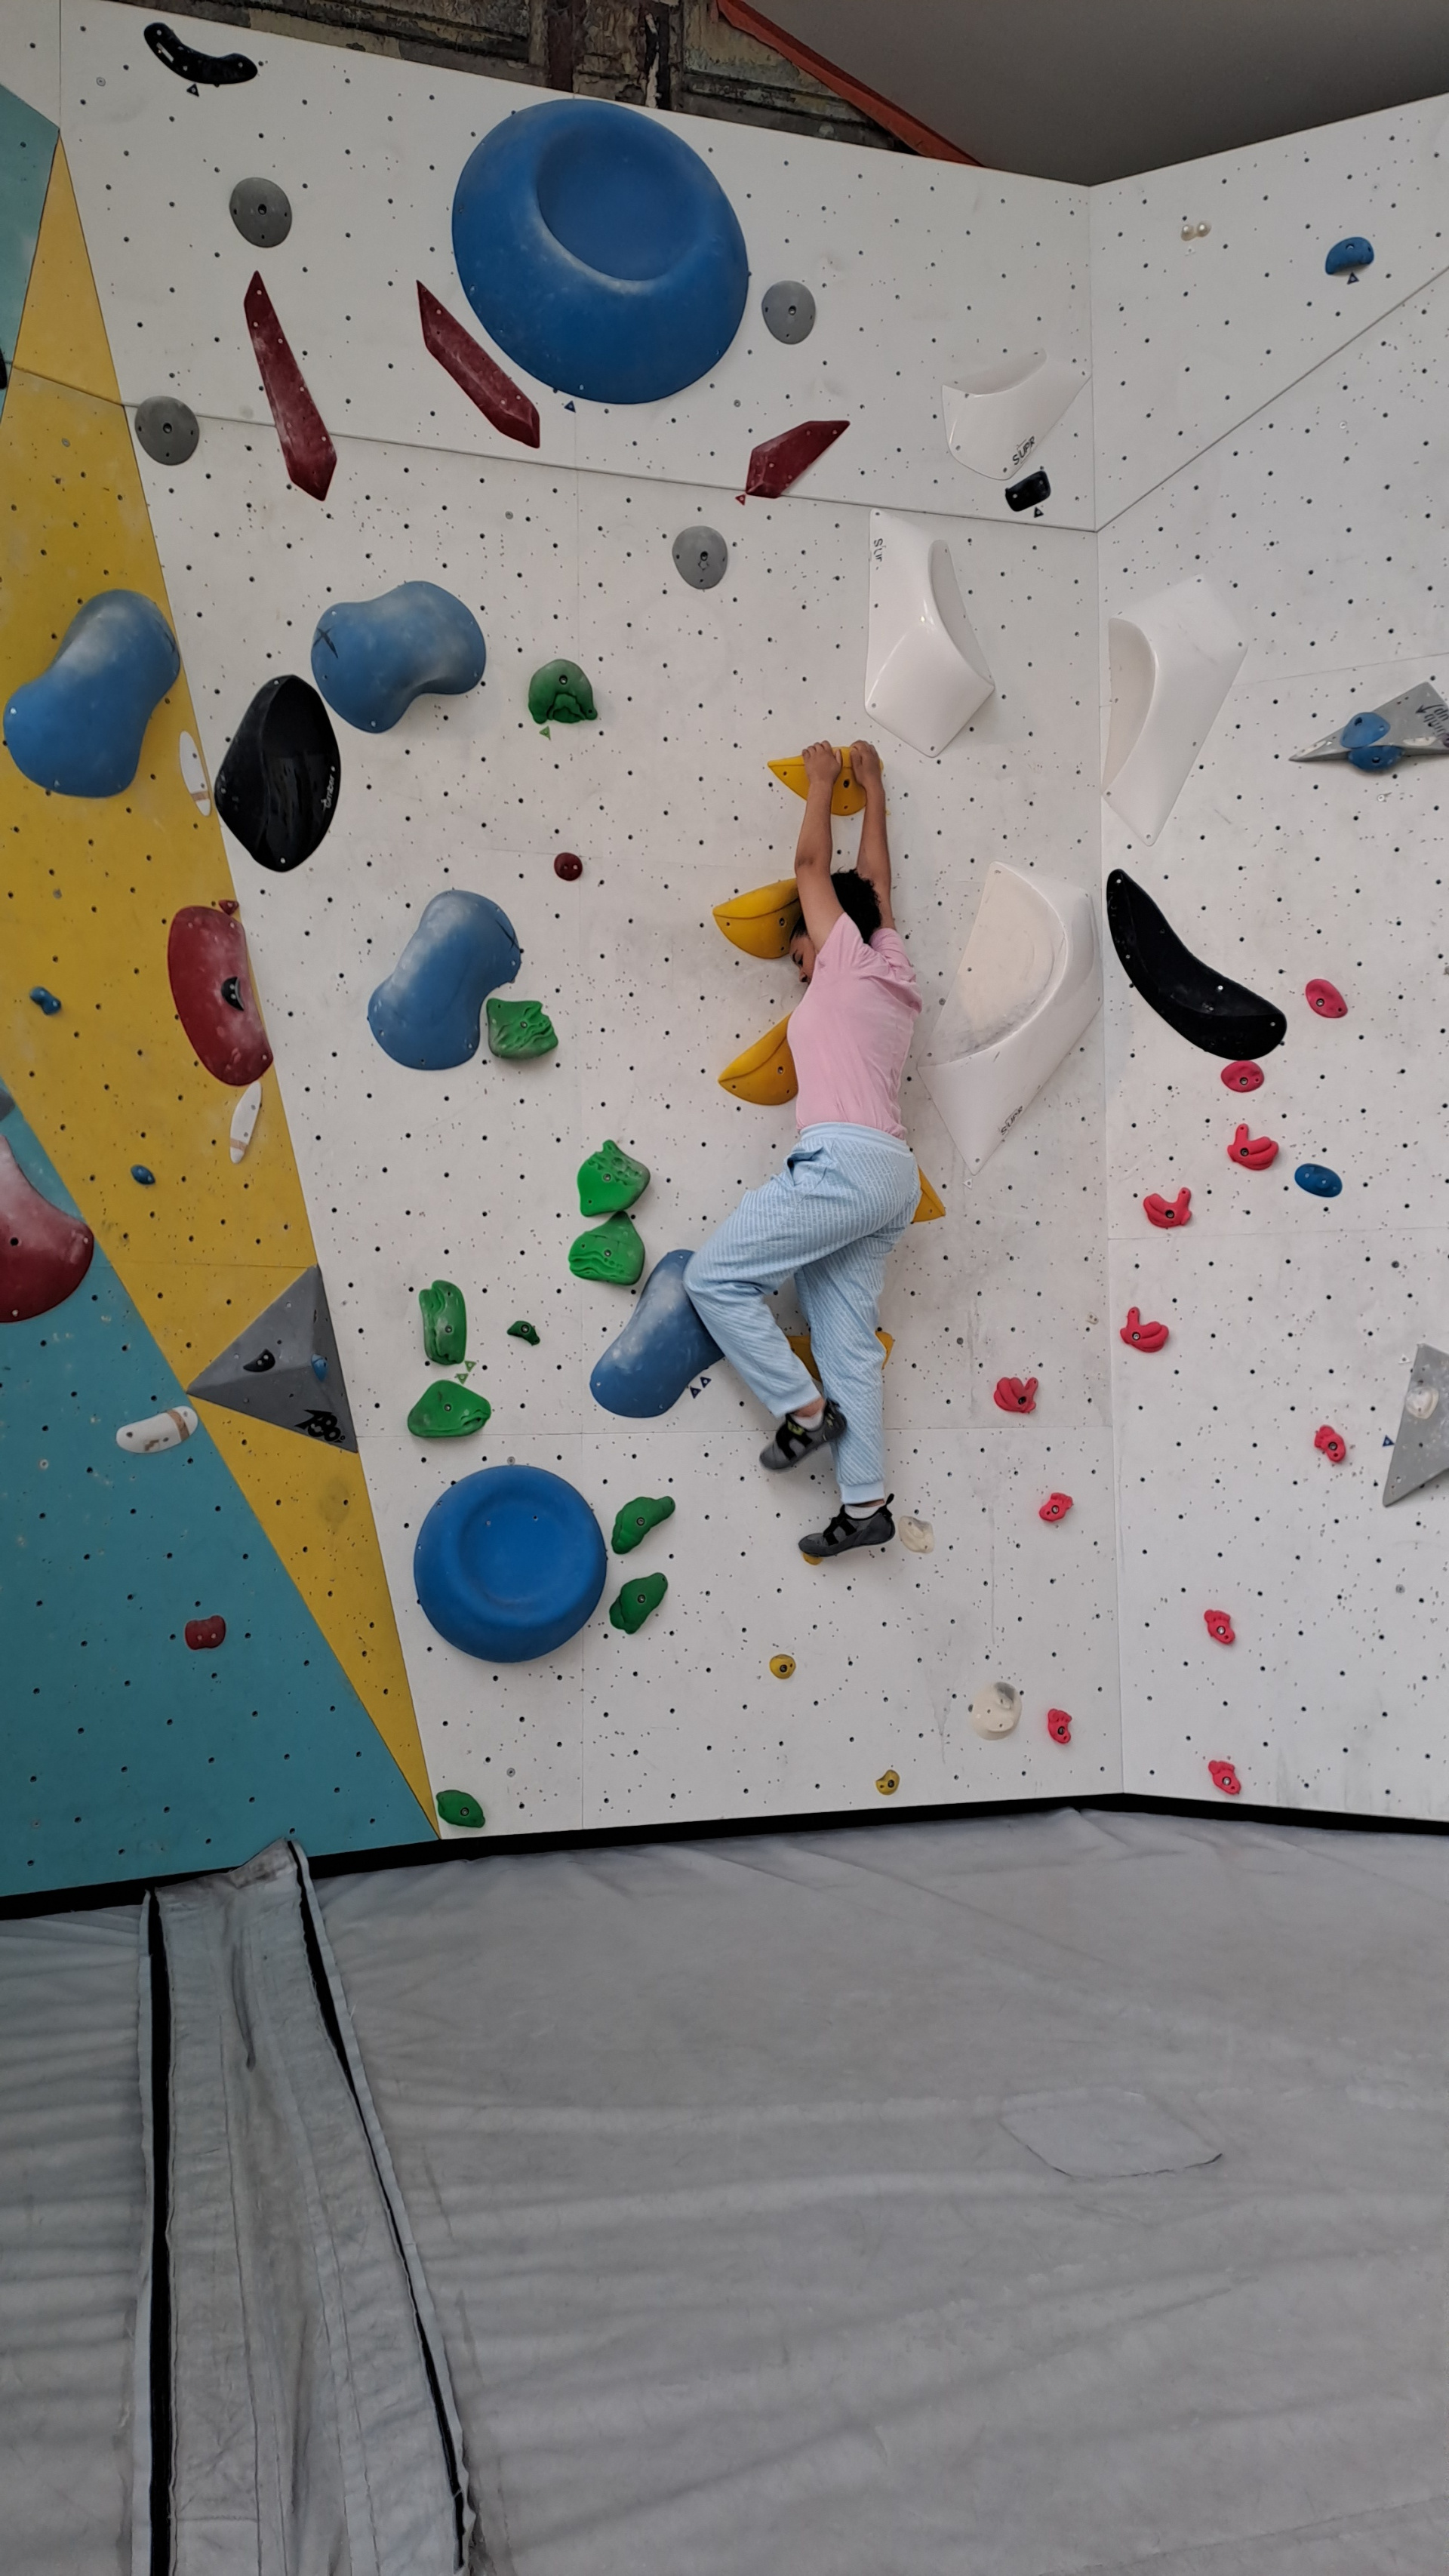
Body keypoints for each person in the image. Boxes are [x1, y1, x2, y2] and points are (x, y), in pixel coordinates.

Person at [686, 739, 921, 1560]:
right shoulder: (894, 969)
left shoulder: (849, 964)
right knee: (846, 1342)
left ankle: (805, 1410)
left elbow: (811, 866)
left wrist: (823, 782)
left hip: (846, 1163)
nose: (800, 972)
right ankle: (865, 1503)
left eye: (799, 957)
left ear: (832, 936)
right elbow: (876, 885)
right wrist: (875, 789)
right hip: (889, 1175)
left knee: (714, 1278)